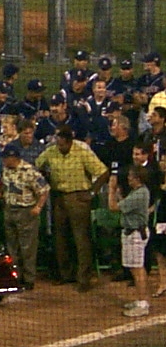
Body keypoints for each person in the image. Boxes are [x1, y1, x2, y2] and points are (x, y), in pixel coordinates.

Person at [36, 125, 109, 292]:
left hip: (79, 197)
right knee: (59, 238)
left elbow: (103, 172)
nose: (59, 147)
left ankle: (84, 277)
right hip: (58, 197)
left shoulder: (82, 150)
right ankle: (65, 274)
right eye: (57, 143)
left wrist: (92, 193)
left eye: (62, 144)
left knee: (81, 238)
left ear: (69, 141)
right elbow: (37, 165)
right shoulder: (51, 151)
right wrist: (45, 177)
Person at [0, 144, 50, 290]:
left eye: (6, 158)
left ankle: (29, 279)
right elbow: (2, 184)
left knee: (28, 247)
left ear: (13, 158)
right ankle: (16, 277)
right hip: (9, 210)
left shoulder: (29, 171)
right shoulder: (6, 169)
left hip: (26, 212)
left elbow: (44, 190)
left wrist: (38, 207)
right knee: (12, 246)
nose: (4, 161)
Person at [108, 165, 151, 317]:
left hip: (135, 235)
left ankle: (143, 304)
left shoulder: (140, 194)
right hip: (132, 233)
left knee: (137, 269)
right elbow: (124, 206)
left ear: (138, 179)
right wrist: (119, 195)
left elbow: (112, 207)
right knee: (135, 268)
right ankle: (141, 300)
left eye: (131, 177)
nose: (128, 179)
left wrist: (112, 190)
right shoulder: (138, 191)